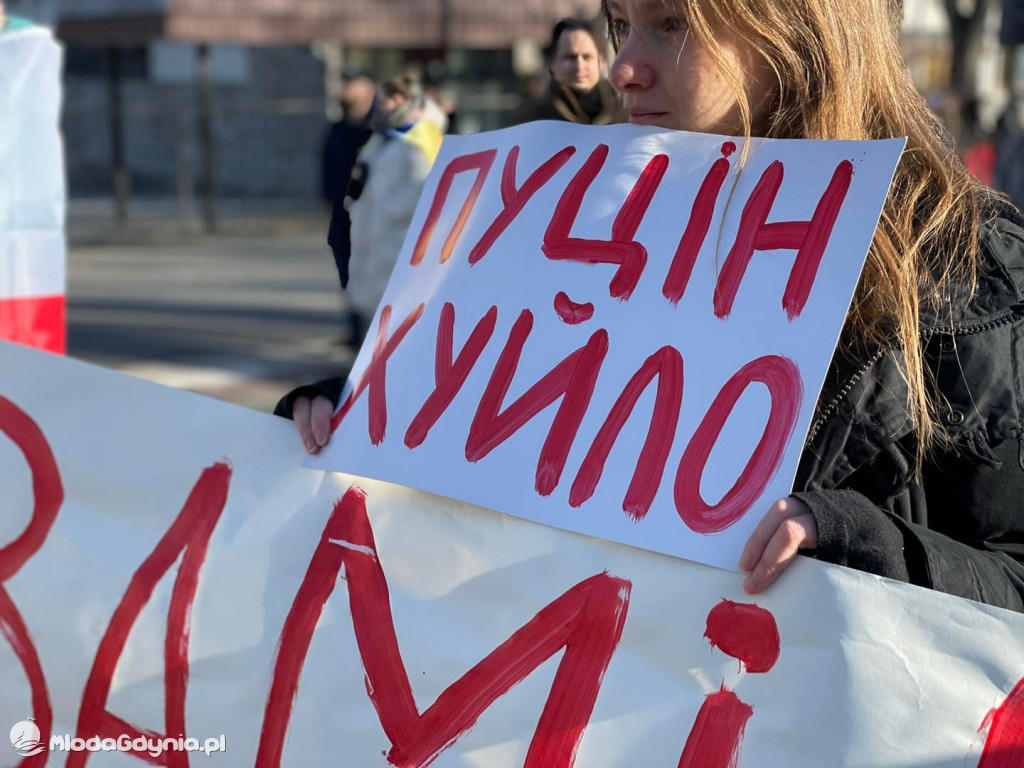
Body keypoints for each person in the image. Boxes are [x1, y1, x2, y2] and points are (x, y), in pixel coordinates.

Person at [283, 0, 1024, 613]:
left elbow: (1010, 576)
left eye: (672, 25)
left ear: (800, 32)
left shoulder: (960, 266)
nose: (624, 69)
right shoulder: (571, 227)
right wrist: (366, 419)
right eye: (620, 26)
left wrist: (867, 544)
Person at [344, 73, 444, 345]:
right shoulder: (382, 137)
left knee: (400, 330)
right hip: (375, 240)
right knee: (375, 325)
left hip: (400, 244)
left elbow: (425, 194)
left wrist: (385, 207)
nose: (383, 104)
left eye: (391, 98)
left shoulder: (420, 139)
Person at [323, 68, 375, 301]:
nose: (345, 89)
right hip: (342, 210)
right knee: (345, 263)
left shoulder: (376, 129)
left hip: (370, 210)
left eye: (351, 83)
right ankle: (356, 326)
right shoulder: (339, 128)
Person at [512, 18, 625, 126]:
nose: (579, 66)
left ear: (601, 61)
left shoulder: (625, 112)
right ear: (552, 63)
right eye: (570, 58)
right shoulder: (529, 121)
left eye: (587, 57)